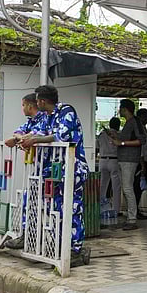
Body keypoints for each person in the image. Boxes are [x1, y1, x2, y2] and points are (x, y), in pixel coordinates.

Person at [18, 85, 90, 267]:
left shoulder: (67, 111)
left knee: (72, 209)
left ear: (42, 101)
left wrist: (35, 140)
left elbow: (62, 136)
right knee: (56, 208)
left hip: (72, 168)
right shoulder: (48, 116)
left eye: (37, 100)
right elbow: (41, 132)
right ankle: (60, 247)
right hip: (55, 170)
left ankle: (76, 250)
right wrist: (26, 138)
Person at [3, 93, 46, 250]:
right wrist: (18, 138)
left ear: (30, 105)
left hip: (50, 167)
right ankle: (29, 235)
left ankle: (46, 239)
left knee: (50, 205)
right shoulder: (31, 121)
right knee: (30, 201)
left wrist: (19, 139)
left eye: (23, 105)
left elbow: (32, 136)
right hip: (38, 167)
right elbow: (16, 135)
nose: (22, 108)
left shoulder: (44, 119)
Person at [113, 99, 146, 231]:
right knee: (126, 188)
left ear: (125, 109)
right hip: (123, 158)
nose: (119, 111)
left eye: (120, 108)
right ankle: (129, 217)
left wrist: (121, 143)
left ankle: (132, 219)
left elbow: (141, 140)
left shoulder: (134, 122)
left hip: (130, 160)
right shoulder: (128, 123)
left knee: (127, 188)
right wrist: (117, 137)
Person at [97, 117, 122, 219]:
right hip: (114, 160)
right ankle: (116, 210)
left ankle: (100, 209)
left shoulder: (102, 134)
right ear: (118, 125)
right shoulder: (118, 135)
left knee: (102, 186)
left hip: (102, 160)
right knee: (116, 187)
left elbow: (97, 146)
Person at [132, 107, 147, 220]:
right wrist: (142, 164)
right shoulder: (139, 129)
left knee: (139, 187)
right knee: (137, 188)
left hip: (144, 161)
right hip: (140, 162)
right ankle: (135, 211)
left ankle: (136, 210)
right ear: (141, 117)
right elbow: (140, 149)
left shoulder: (142, 128)